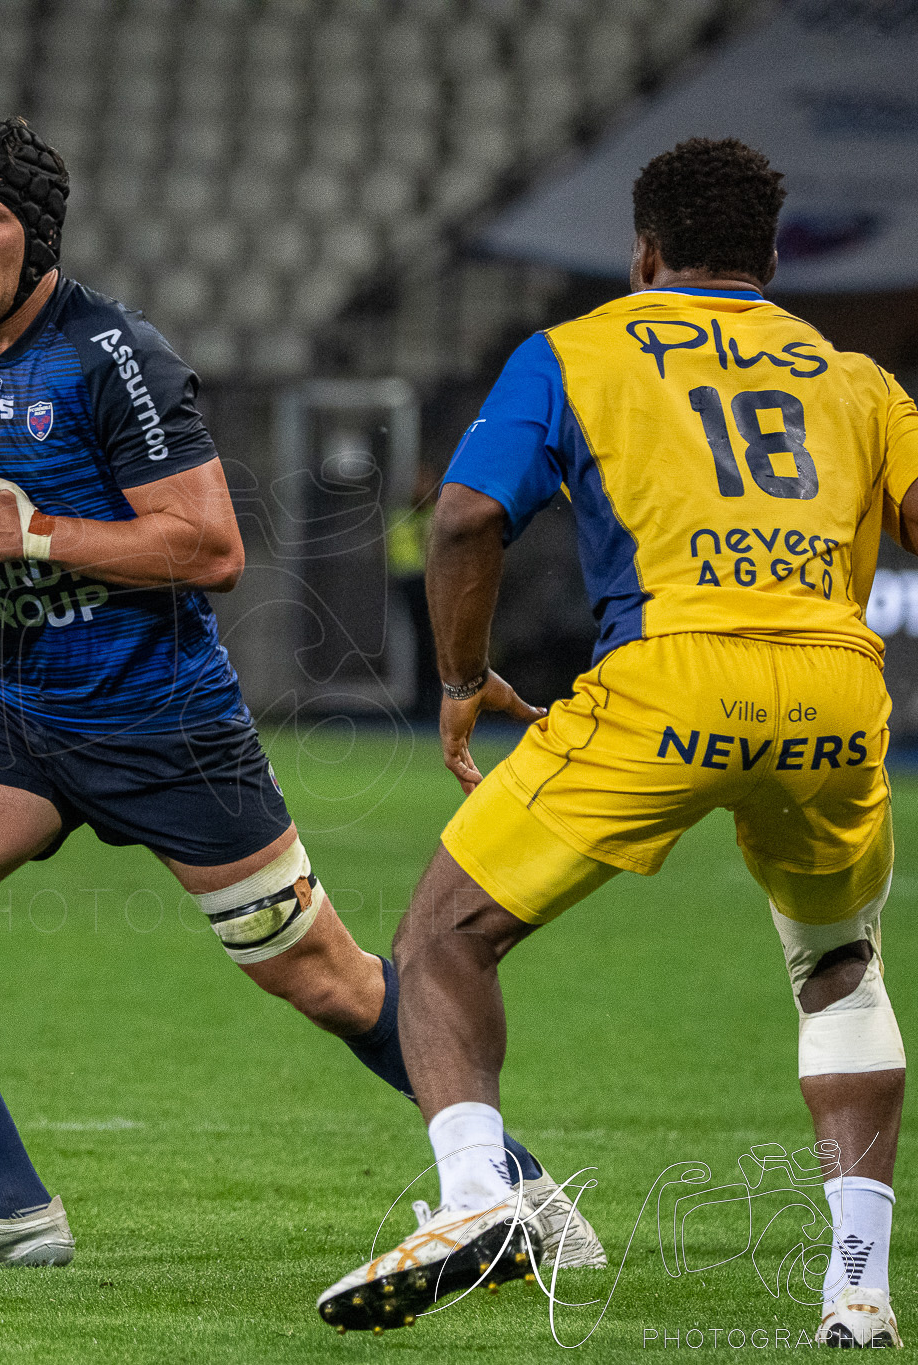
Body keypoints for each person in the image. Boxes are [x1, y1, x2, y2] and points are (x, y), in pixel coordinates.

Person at [0, 118, 596, 1266]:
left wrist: (30, 528)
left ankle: (519, 1191)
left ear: (37, 236)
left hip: (161, 722)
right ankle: (13, 1208)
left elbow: (209, 547)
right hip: (12, 717)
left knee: (318, 977)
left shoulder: (112, 354)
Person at [316, 138, 911, 1349]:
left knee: (441, 937)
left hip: (666, 684)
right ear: (772, 256)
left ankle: (479, 1199)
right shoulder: (856, 378)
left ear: (641, 253)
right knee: (838, 966)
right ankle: (856, 1288)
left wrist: (459, 676)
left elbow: (468, 517)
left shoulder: (576, 351)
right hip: (834, 694)